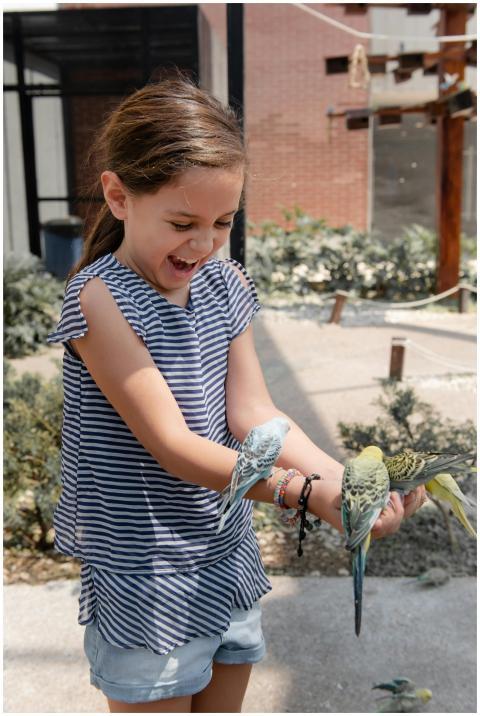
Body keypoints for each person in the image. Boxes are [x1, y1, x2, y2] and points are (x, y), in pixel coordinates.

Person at [47, 73, 425, 714]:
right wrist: (306, 495)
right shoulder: (100, 298)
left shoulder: (222, 283)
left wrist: (349, 487)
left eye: (223, 221)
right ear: (118, 195)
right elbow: (173, 446)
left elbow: (255, 414)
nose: (204, 243)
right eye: (182, 221)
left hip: (223, 551)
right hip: (146, 566)